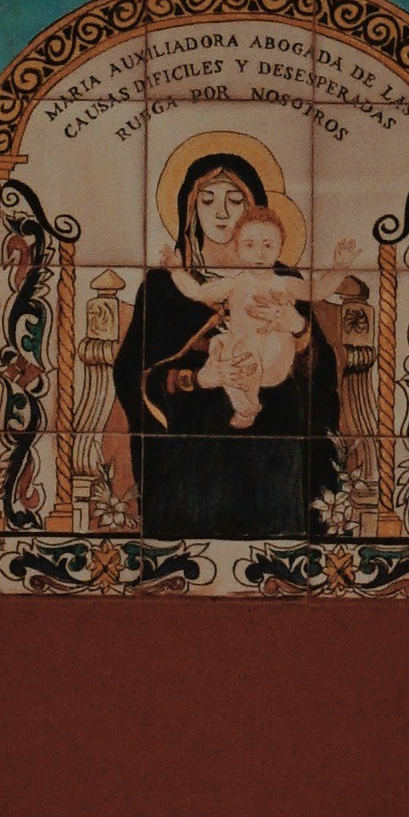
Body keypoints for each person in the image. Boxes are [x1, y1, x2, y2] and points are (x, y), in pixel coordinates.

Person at [109, 144, 357, 550]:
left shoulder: (284, 281)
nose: (222, 212)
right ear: (190, 210)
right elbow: (132, 378)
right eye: (207, 200)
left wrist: (296, 328)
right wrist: (198, 379)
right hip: (192, 461)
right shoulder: (164, 287)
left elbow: (321, 376)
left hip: (272, 456)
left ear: (257, 214)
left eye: (235, 200)